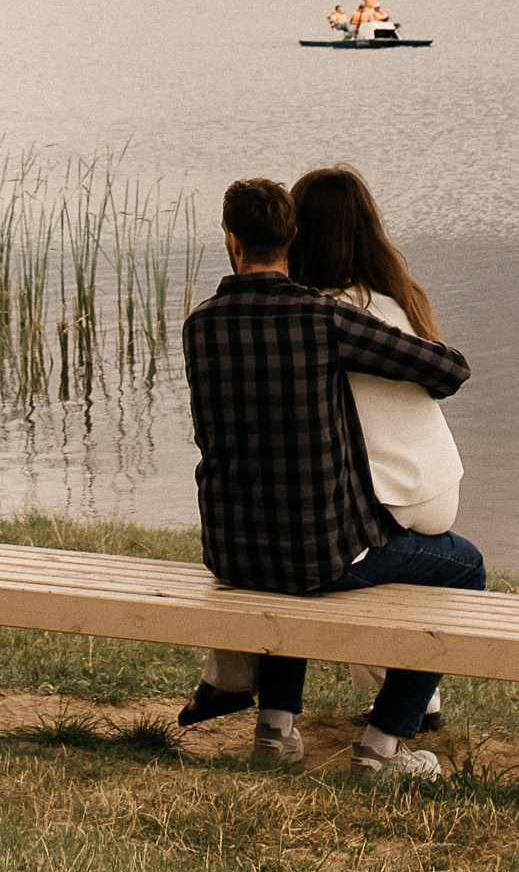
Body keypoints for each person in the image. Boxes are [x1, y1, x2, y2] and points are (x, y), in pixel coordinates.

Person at [180, 175, 481, 780]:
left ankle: (274, 733)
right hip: (315, 560)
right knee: (465, 567)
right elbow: (449, 370)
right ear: (291, 237)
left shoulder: (200, 324)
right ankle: (382, 747)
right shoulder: (322, 319)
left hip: (231, 555)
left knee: (286, 555)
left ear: (231, 240)